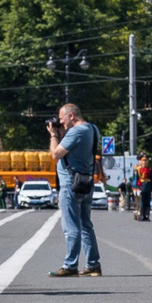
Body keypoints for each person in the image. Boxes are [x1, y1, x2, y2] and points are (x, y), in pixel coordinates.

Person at [47, 102, 102, 278]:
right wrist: (62, 132)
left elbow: (55, 154)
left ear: (72, 116)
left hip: (71, 184)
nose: (61, 123)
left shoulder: (77, 131)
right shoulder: (92, 129)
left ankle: (70, 265)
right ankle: (93, 264)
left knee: (70, 226)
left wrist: (54, 136)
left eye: (62, 119)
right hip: (85, 181)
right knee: (86, 225)